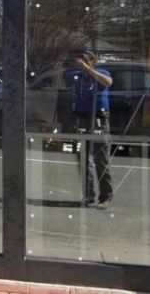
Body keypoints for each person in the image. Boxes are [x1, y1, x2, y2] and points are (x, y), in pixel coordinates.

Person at [65, 50, 114, 209]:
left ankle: (105, 196)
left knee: (101, 158)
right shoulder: (75, 75)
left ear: (93, 60)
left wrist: (87, 69)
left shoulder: (101, 72)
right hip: (81, 118)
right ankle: (88, 194)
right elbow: (59, 81)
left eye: (86, 59)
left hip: (98, 118)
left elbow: (108, 82)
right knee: (83, 157)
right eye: (80, 59)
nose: (82, 62)